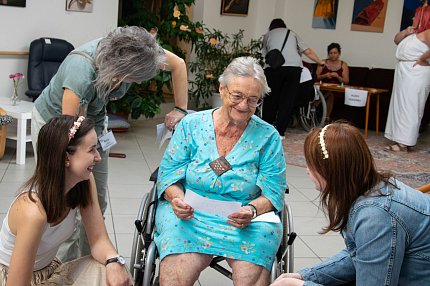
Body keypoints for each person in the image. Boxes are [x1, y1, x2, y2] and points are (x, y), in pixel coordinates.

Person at [30, 26, 188, 261]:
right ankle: (58, 266)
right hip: (58, 127)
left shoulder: (141, 49)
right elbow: (68, 135)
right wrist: (81, 169)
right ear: (119, 68)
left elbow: (178, 65)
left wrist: (180, 108)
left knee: (95, 202)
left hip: (93, 124)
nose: (134, 83)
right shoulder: (80, 69)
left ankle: (84, 262)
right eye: (133, 79)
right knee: (65, 202)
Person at [155, 56, 287, 286]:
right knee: (175, 277)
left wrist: (252, 210)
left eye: (253, 100)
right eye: (237, 96)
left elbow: (273, 193)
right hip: (189, 215)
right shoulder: (191, 125)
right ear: (222, 89)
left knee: (251, 279)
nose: (244, 106)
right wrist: (176, 199)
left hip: (245, 220)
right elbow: (168, 175)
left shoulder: (268, 137)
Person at [271, 122, 430, 286]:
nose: (307, 170)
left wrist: (301, 285)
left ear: (330, 170)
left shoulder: (375, 216)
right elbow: (359, 254)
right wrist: (305, 276)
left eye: (310, 164)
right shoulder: (374, 188)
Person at [0, 115, 132, 286]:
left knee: (114, 270)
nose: (98, 157)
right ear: (66, 158)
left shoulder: (84, 181)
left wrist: (114, 261)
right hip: (14, 279)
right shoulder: (32, 211)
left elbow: (99, 239)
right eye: (91, 150)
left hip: (48, 272)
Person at [262, 18, 325, 139]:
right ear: (284, 26)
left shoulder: (268, 35)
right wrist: (319, 61)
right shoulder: (291, 33)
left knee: (271, 99)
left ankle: (267, 130)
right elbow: (308, 51)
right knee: (288, 100)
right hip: (293, 69)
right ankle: (280, 132)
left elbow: (266, 54)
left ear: (271, 27)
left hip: (274, 68)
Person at [385, 2, 430, 152]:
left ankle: (404, 142)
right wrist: (405, 31)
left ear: (422, 17)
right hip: (404, 71)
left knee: (410, 107)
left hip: (415, 73)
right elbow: (396, 40)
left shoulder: (428, 32)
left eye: (415, 16)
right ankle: (399, 137)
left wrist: (423, 57)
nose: (412, 18)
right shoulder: (412, 33)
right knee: (400, 106)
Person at [316, 43, 349, 121]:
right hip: (322, 89)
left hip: (337, 91)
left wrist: (338, 77)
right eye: (330, 53)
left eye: (335, 53)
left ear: (339, 53)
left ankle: (317, 103)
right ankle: (326, 119)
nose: (333, 55)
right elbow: (316, 77)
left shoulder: (343, 64)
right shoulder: (323, 63)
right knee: (329, 94)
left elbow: (346, 81)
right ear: (328, 54)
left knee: (331, 94)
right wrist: (325, 75)